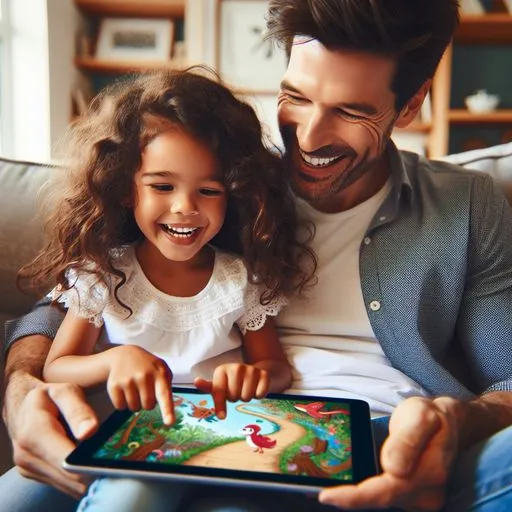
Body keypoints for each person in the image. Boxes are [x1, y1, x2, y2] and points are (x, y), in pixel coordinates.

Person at [3, 0, 512, 511]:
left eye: (351, 110)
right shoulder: (225, 181)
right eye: (296, 96)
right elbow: (73, 295)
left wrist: (454, 421)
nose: (308, 138)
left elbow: (507, 377)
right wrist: (22, 387)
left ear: (410, 104)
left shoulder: (465, 206)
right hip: (215, 420)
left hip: (379, 431)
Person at [4, 67, 316, 512]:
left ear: (235, 196)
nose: (185, 208)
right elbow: (56, 369)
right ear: (127, 189)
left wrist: (253, 375)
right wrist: (115, 358)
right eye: (162, 186)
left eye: (209, 190)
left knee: (128, 499)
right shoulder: (103, 273)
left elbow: (275, 366)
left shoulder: (241, 279)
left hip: (209, 440)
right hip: (120, 440)